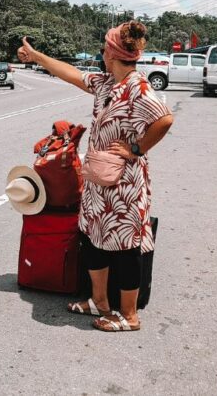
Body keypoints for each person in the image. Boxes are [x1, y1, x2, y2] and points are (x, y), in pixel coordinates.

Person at [17, 21, 173, 332]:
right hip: (98, 185)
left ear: (112, 54)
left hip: (124, 186)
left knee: (126, 249)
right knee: (92, 241)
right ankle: (99, 302)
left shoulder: (138, 87)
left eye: (105, 47)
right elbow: (70, 74)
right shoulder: (105, 83)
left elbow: (164, 119)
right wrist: (37, 57)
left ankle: (129, 316)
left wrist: (137, 148)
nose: (102, 51)